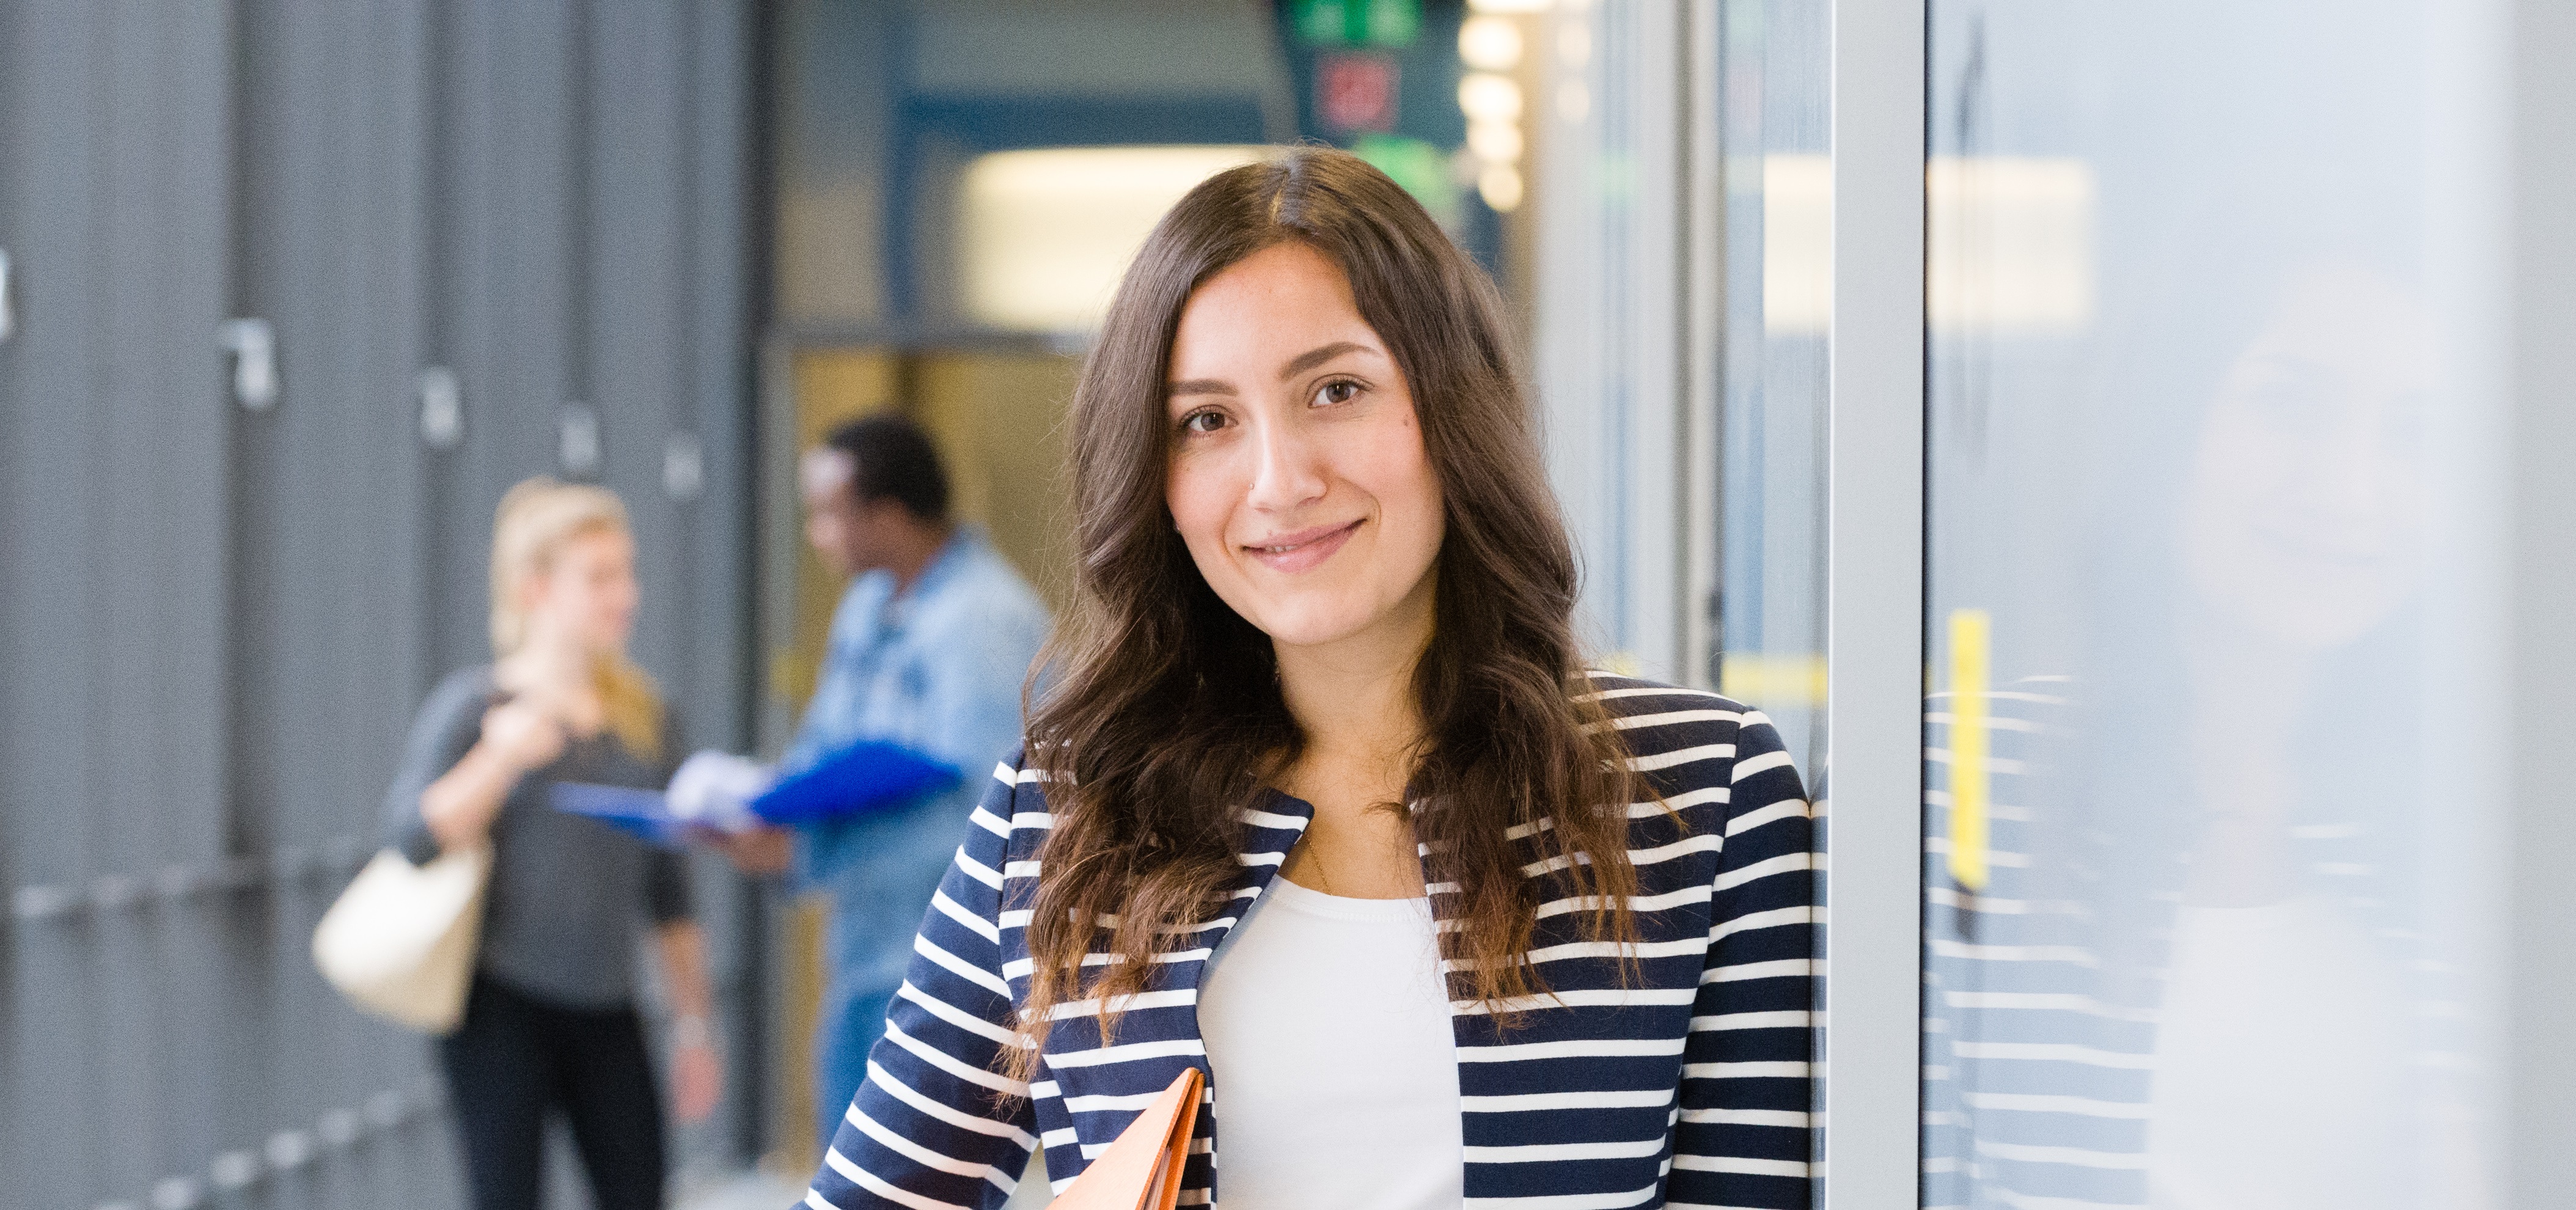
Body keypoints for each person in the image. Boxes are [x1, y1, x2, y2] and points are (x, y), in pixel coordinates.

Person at [798, 148, 1819, 1210]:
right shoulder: (1063, 813)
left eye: (1335, 390)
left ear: (1451, 408)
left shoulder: (1699, 795)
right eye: (1205, 421)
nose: (1279, 481)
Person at [383, 479, 722, 1210]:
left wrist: (694, 1027)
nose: (623, 595)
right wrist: (499, 759)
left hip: (608, 1007)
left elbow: (669, 893)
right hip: (497, 1007)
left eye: (625, 574)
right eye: (599, 577)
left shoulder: (647, 719)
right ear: (535, 589)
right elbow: (410, 838)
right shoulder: (477, 708)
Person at [717, 413, 1051, 1153]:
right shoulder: (868, 605)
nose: (816, 533)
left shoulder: (983, 623)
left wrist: (808, 855)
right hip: (863, 949)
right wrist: (761, 815)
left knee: (922, 1174)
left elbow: (988, 821)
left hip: (945, 964)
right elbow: (825, 747)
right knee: (850, 1162)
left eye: (828, 514)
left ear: (889, 514)